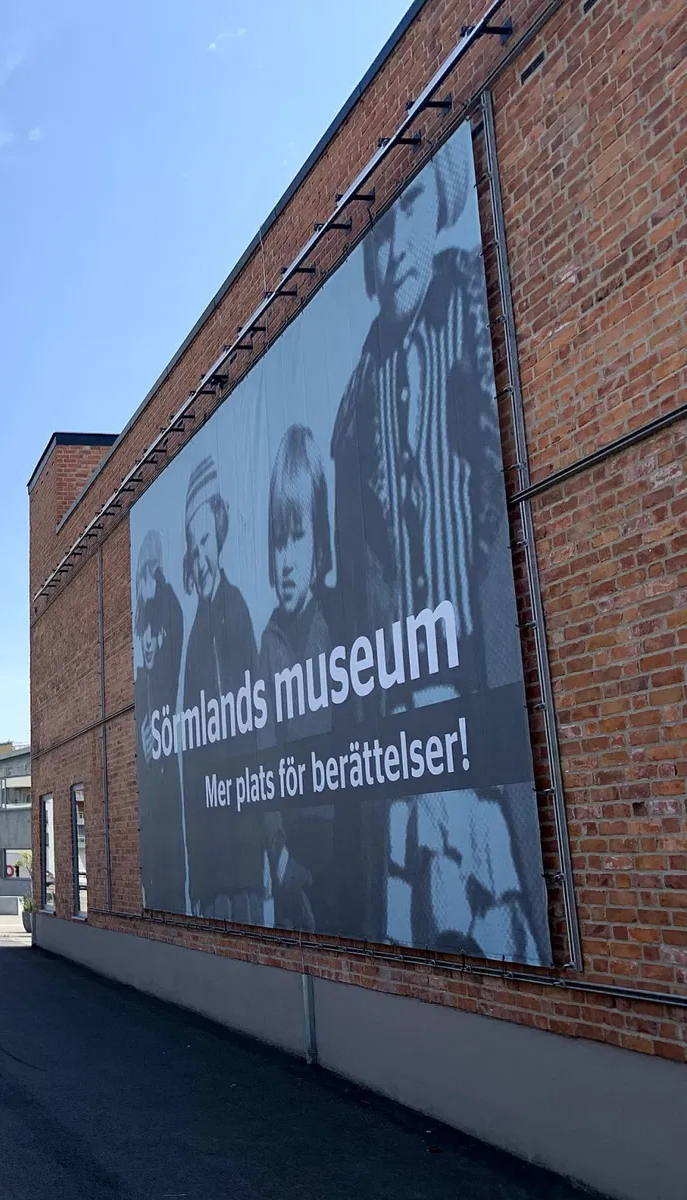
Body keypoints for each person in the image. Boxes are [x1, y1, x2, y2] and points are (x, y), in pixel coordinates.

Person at [330, 142, 544, 963]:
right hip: (401, 697)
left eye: (410, 212)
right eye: (379, 238)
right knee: (414, 899)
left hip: (478, 686)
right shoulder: (362, 380)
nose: (394, 247)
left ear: (439, 213)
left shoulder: (466, 301)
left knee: (498, 896)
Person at [256, 425, 337, 932]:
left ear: (319, 541)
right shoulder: (268, 642)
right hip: (293, 850)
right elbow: (264, 759)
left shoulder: (337, 623)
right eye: (277, 540)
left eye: (297, 536)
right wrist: (281, 858)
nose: (285, 560)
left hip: (341, 845)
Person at [179, 455, 261, 922]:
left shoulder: (236, 611)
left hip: (240, 853)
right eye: (193, 545)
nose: (200, 555)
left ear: (220, 537)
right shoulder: (195, 629)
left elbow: (245, 725)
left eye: (205, 540)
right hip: (209, 859)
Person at [132, 528, 186, 913]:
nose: (149, 642)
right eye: (145, 634)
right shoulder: (140, 680)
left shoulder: (166, 673)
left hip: (168, 809)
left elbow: (175, 620)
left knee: (171, 889)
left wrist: (157, 584)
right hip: (148, 825)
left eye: (156, 634)